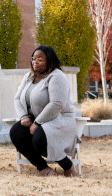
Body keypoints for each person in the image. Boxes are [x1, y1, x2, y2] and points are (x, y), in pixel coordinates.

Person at [9, 45, 80, 177]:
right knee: (16, 132)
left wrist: (37, 122)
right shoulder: (29, 76)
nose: (35, 61)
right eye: (33, 58)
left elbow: (57, 104)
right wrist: (24, 116)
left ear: (50, 60)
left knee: (39, 139)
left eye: (40, 59)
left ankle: (67, 165)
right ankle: (43, 168)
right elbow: (17, 98)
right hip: (37, 120)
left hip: (59, 121)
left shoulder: (57, 76)